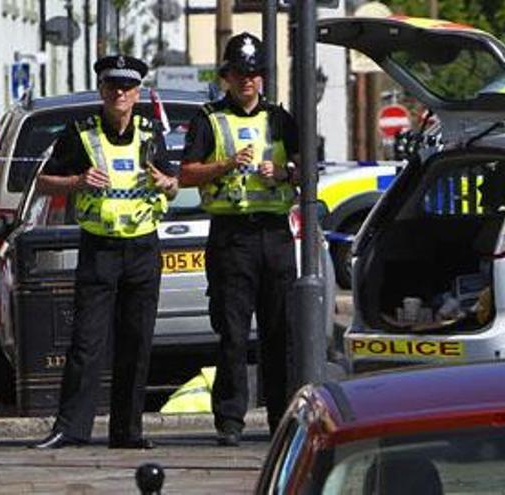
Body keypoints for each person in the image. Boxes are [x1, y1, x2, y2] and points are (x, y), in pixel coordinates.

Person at [31, 55, 179, 450]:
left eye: (127, 87)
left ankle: (127, 432)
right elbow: (43, 183)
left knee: (137, 341)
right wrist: (78, 180)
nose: (119, 93)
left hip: (144, 247)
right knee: (87, 342)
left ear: (137, 94)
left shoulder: (149, 131)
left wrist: (166, 181)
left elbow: (172, 185)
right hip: (100, 247)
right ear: (101, 90)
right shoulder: (81, 132)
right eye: (112, 86)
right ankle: (72, 427)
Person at [180, 32, 299, 446]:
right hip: (231, 238)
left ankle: (282, 418)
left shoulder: (281, 119)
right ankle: (229, 420)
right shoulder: (209, 119)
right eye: (239, 73)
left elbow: (307, 170)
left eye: (253, 73)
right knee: (232, 332)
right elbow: (186, 173)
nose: (247, 80)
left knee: (279, 330)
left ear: (262, 77)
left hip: (275, 235)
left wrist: (283, 173)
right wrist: (226, 165)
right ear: (226, 76)